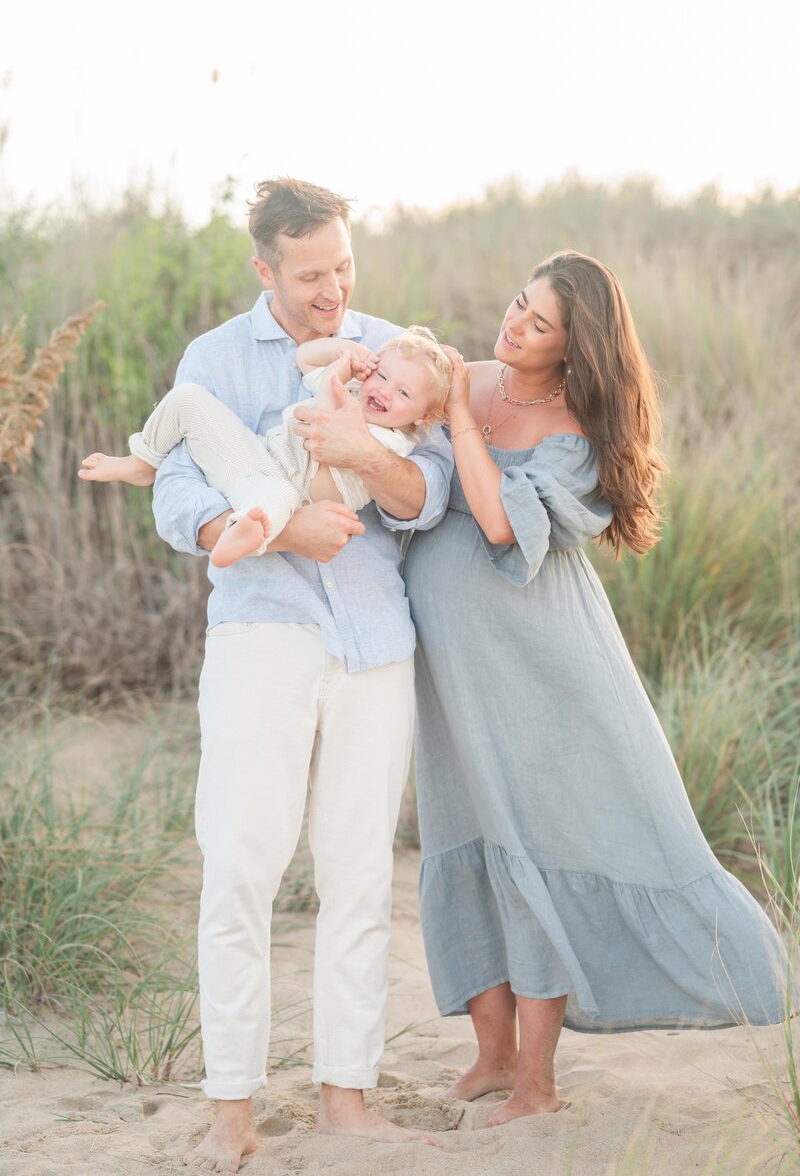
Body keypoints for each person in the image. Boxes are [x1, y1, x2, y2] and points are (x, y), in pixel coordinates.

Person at [402, 250, 786, 1128]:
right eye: (515, 306)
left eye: (538, 325)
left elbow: (499, 520)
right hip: (451, 667)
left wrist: (459, 416)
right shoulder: (464, 372)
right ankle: (492, 1055)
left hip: (543, 672)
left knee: (534, 839)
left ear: (577, 350)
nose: (513, 327)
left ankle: (537, 1078)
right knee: (463, 830)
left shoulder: (573, 429)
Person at [148, 178, 452, 1172]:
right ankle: (231, 1109)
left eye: (343, 268)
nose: (333, 292)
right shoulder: (215, 359)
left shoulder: (386, 346)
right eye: (310, 275)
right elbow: (180, 491)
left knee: (360, 877)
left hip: (374, 645)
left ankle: (344, 1099)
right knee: (239, 867)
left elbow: (427, 488)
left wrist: (367, 452)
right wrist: (278, 528)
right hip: (262, 638)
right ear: (265, 269)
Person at [78, 328, 451, 569]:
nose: (384, 391)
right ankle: (144, 460)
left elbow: (323, 416)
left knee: (268, 502)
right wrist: (347, 351)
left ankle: (239, 536)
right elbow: (305, 356)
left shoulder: (392, 442)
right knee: (188, 398)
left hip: (292, 493)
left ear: (422, 417)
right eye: (382, 375)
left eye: (403, 392)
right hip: (259, 456)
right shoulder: (355, 388)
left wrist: (339, 372)